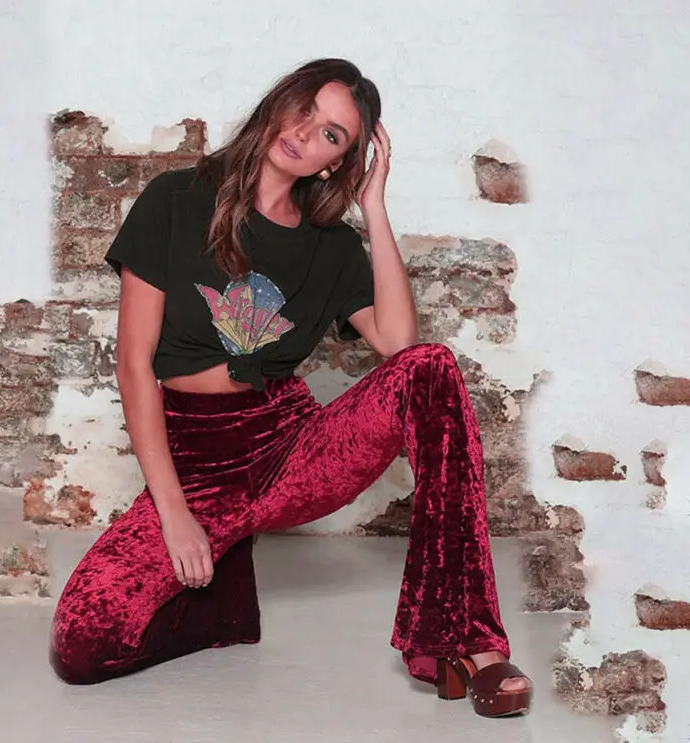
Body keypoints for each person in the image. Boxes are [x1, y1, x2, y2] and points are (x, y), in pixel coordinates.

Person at [49, 58, 533, 718]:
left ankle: (468, 643)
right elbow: (134, 366)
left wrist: (373, 206)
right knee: (81, 647)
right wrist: (176, 515)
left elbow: (399, 344)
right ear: (280, 103)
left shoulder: (330, 245)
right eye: (306, 111)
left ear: (338, 161)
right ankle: (218, 603)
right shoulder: (176, 199)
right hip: (196, 462)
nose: (307, 135)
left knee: (431, 366)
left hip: (289, 447)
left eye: (332, 135)